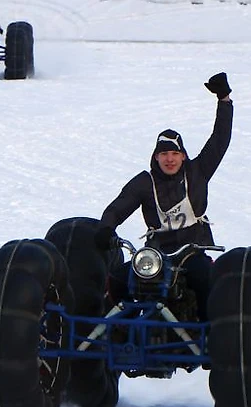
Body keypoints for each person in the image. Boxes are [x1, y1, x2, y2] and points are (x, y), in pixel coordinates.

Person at [94, 72, 234, 322]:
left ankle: (208, 336)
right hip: (156, 256)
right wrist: (106, 228)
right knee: (117, 279)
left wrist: (224, 100)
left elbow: (220, 140)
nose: (169, 159)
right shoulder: (144, 182)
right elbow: (118, 208)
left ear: (182, 156)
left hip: (193, 251)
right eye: (164, 154)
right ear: (156, 157)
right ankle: (119, 331)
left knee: (205, 279)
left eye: (174, 153)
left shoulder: (198, 172)